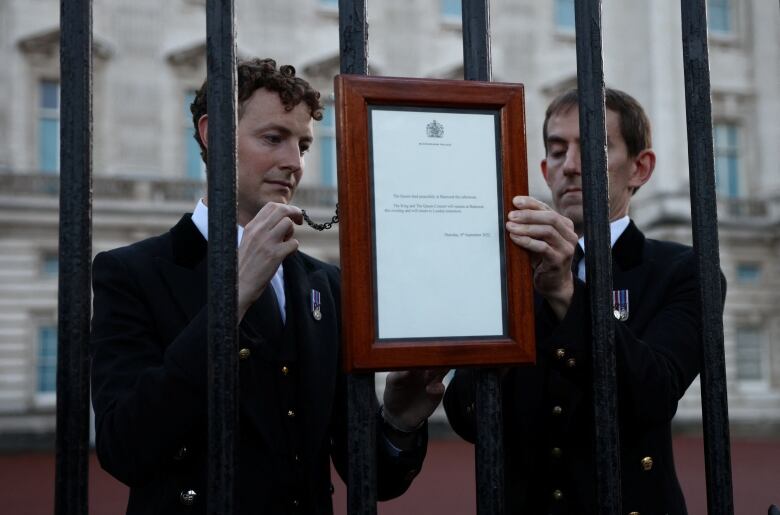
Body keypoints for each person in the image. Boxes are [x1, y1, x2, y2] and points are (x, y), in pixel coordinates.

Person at [90, 58, 445, 515]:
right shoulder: (132, 272)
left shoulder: (325, 283)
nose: (293, 163)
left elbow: (365, 475)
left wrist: (397, 419)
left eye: (303, 145)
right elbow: (125, 449)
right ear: (212, 134)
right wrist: (231, 298)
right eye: (273, 138)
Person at [444, 88, 717, 514]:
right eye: (556, 152)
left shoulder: (681, 271)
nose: (569, 166)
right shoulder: (508, 273)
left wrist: (565, 294)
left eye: (592, 148)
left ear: (640, 168)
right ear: (543, 169)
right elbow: (469, 415)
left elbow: (654, 394)